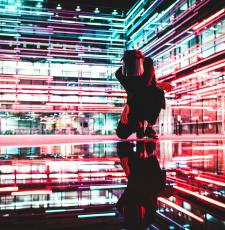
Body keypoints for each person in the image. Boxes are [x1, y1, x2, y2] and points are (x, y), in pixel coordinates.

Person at [115, 50, 172, 139]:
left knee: (158, 92)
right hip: (134, 101)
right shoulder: (119, 74)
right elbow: (132, 90)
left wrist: (127, 106)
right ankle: (139, 125)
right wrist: (127, 106)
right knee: (121, 133)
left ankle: (149, 127)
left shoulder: (148, 64)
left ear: (142, 61)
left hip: (149, 98)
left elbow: (144, 84)